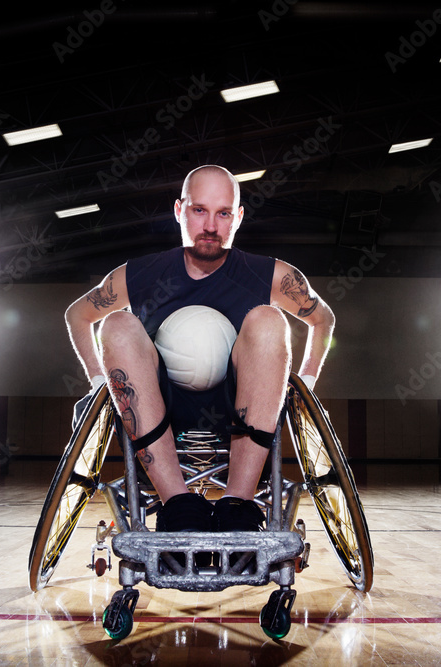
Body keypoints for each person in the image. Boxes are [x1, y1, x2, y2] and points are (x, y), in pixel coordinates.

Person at [65, 165, 334, 533]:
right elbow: (77, 315)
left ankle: (238, 503)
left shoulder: (268, 274)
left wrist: (305, 384)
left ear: (237, 217)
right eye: (199, 210)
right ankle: (177, 503)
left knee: (270, 320)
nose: (211, 225)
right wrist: (99, 381)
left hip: (239, 405)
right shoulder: (142, 274)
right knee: (117, 324)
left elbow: (323, 319)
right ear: (179, 211)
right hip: (160, 407)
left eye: (223, 213)